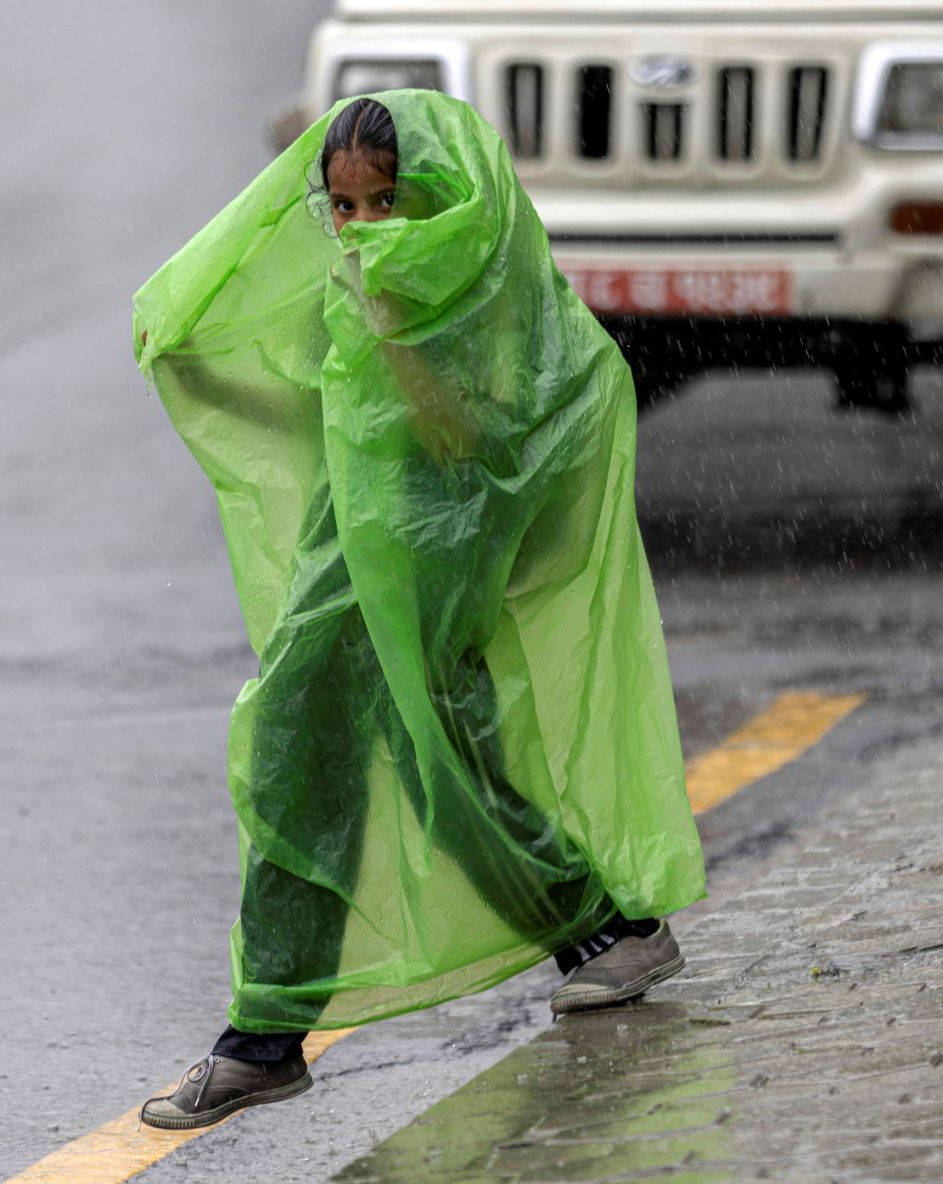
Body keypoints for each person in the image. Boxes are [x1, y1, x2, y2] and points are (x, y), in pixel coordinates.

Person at [133, 92, 705, 1131]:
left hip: (434, 542)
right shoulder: (358, 285)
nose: (362, 230)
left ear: (441, 199)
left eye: (388, 202)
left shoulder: (489, 294)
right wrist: (202, 372)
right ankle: (268, 1027)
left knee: (438, 751)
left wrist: (393, 324)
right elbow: (321, 417)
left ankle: (602, 930)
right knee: (302, 743)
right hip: (345, 538)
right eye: (344, 209)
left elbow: (468, 442)